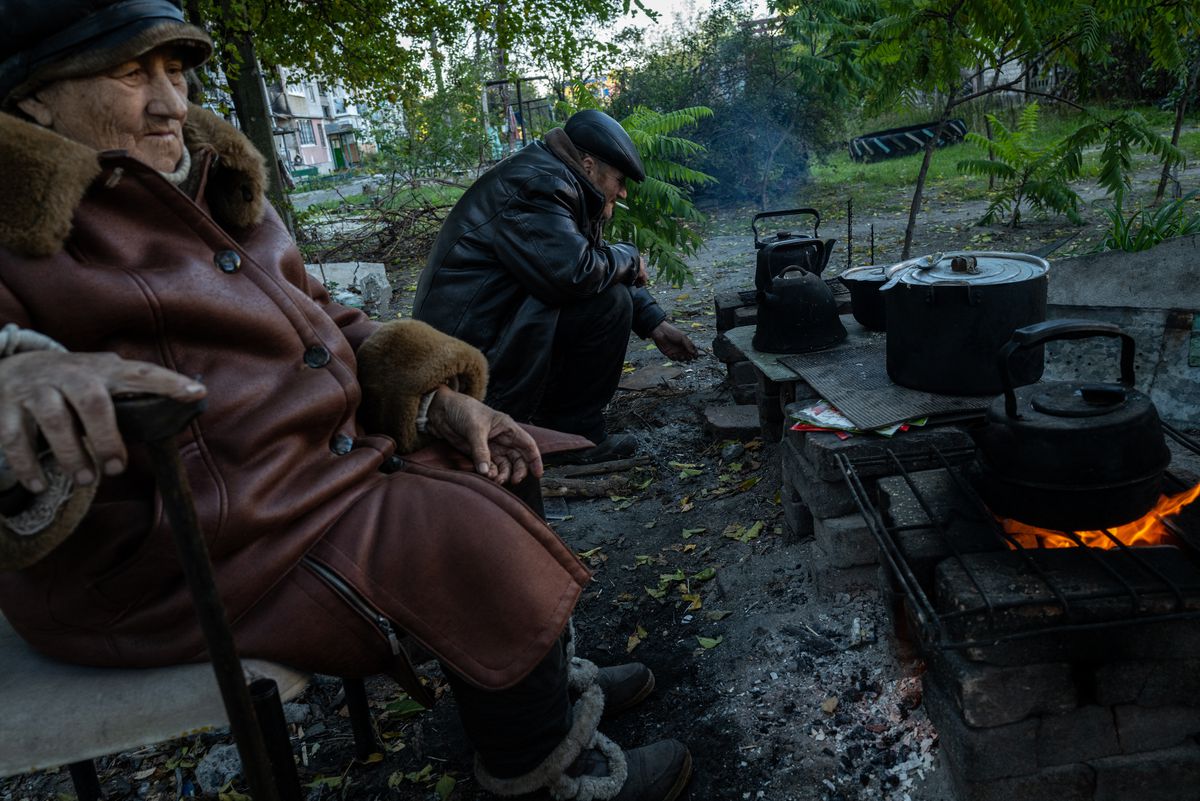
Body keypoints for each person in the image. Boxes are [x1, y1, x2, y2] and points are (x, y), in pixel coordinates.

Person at [0, 3, 691, 799]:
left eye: (177, 72)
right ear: (34, 98)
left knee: (500, 456)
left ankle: (533, 685)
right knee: (464, 533)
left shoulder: (206, 181)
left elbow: (324, 314)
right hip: (184, 551)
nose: (171, 104)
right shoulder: (16, 217)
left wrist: (435, 403)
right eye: (130, 73)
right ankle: (537, 772)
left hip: (300, 482)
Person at [414, 110, 699, 464]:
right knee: (608, 303)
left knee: (608, 294)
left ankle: (561, 424)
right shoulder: (539, 186)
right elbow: (575, 274)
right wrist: (629, 254)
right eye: (619, 179)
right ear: (590, 164)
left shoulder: (561, 180)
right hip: (464, 365)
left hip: (488, 335)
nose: (623, 191)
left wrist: (654, 322)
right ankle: (572, 435)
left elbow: (588, 262)